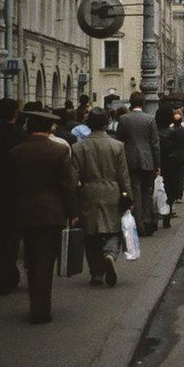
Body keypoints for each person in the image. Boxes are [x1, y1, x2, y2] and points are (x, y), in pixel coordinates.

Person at [9, 109, 77, 323]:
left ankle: (35, 303)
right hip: (52, 213)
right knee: (45, 260)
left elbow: (10, 186)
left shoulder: (16, 152)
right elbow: (68, 185)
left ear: (28, 127)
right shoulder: (58, 151)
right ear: (50, 128)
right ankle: (40, 309)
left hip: (24, 212)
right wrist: (73, 212)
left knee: (30, 257)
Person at [70, 109, 131, 287]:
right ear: (106, 123)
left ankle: (96, 274)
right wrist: (128, 198)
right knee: (114, 229)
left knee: (91, 234)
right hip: (112, 190)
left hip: (88, 192)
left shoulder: (78, 147)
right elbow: (123, 175)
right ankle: (110, 254)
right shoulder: (117, 146)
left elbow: (73, 179)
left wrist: (73, 203)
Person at [0, 99, 28, 296]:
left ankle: (10, 275)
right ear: (15, 113)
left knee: (0, 234)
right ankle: (1, 279)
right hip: (17, 192)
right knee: (13, 235)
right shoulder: (23, 136)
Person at [116, 92, 160, 237]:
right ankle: (148, 222)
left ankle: (138, 224)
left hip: (130, 159)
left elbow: (119, 140)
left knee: (135, 191)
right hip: (147, 160)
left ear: (130, 102)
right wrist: (157, 163)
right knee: (147, 190)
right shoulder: (150, 119)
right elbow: (155, 144)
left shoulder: (123, 119)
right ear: (144, 103)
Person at [156, 106, 184, 228]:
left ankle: (154, 218)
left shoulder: (154, 131)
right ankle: (167, 213)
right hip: (172, 163)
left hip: (156, 164)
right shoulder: (174, 132)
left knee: (155, 191)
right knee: (169, 189)